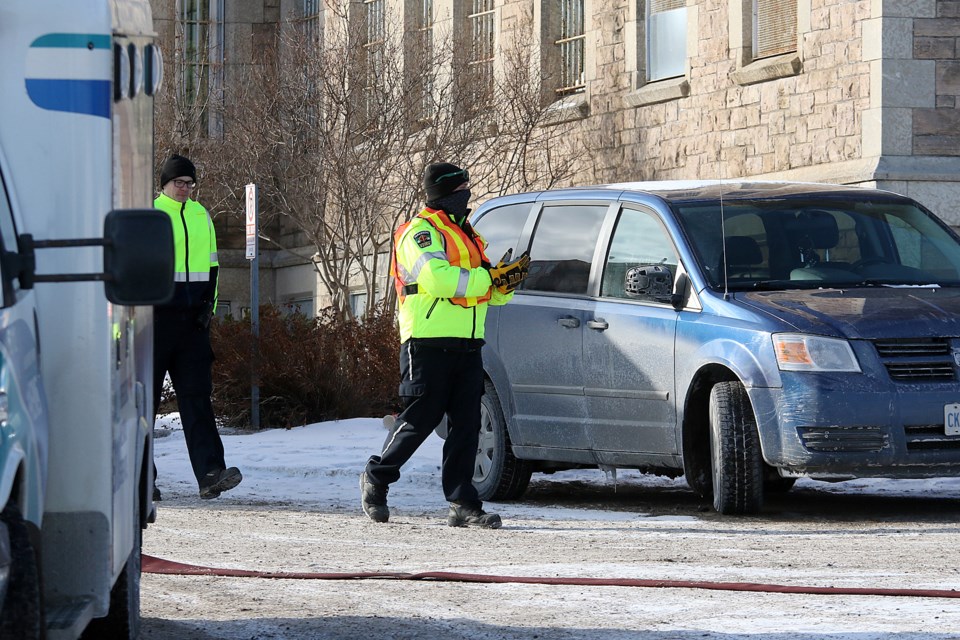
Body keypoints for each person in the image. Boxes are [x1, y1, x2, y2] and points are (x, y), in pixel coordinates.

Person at [361, 162, 529, 528]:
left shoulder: (467, 234)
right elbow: (437, 280)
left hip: (468, 342)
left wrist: (504, 282)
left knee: (466, 426)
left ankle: (462, 503)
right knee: (420, 420)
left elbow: (484, 293)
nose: (467, 195)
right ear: (445, 192)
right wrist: (488, 280)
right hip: (426, 341)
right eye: (462, 189)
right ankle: (376, 478)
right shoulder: (418, 233)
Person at [153, 154, 242, 500]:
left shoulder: (201, 215)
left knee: (198, 401)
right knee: (143, 407)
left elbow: (214, 267)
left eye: (190, 183)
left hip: (192, 325)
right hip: (156, 322)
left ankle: (211, 474)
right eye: (179, 182)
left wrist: (210, 308)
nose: (185, 188)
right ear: (165, 184)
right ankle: (140, 480)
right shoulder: (152, 215)